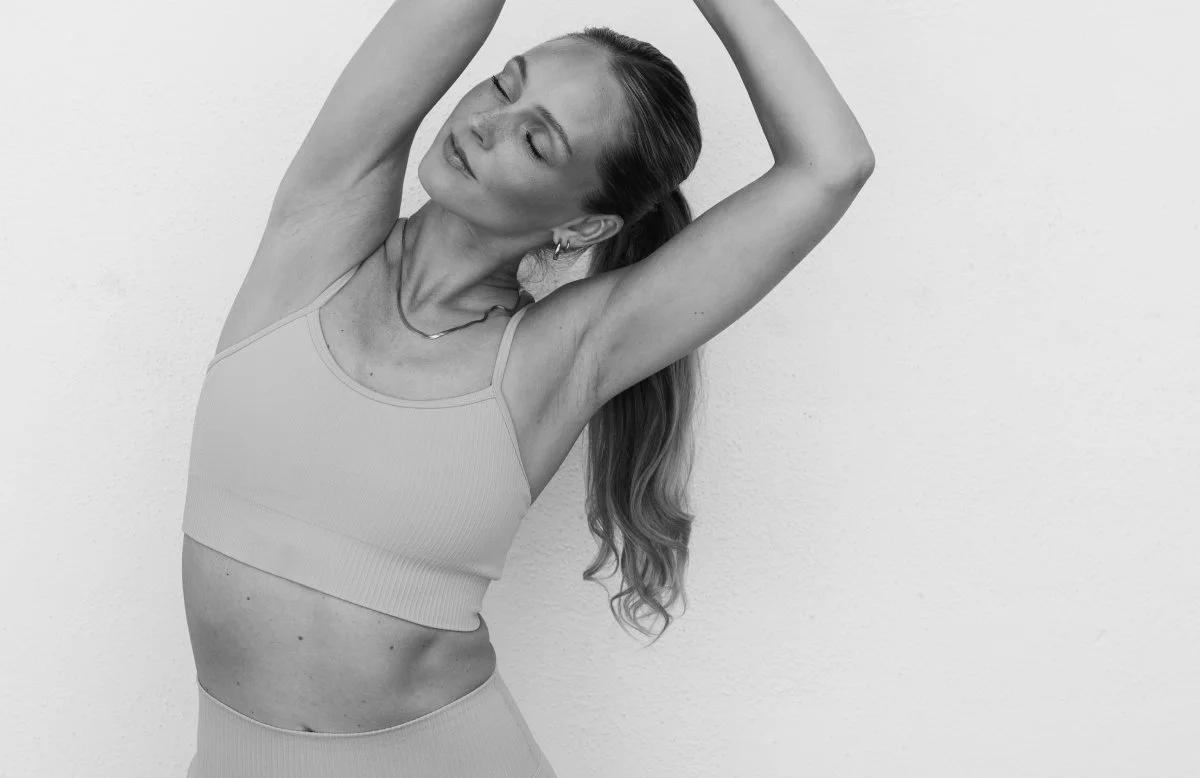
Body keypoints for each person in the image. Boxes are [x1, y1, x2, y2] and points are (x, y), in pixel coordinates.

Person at [180, 0, 873, 774]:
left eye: (536, 140)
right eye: (504, 86)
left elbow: (831, 166)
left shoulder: (563, 355)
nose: (485, 124)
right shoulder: (316, 233)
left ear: (583, 228)